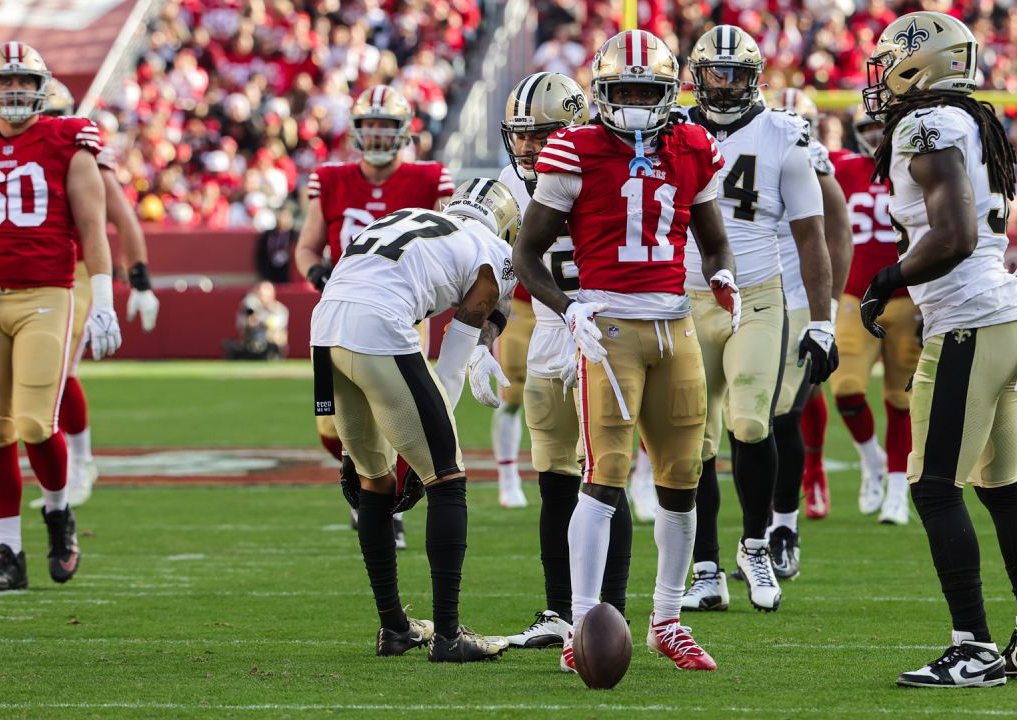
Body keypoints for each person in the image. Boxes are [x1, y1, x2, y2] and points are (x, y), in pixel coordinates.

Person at [514, 29, 734, 673]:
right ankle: (580, 625)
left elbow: (714, 240)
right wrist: (570, 305)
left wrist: (721, 277)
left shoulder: (694, 144)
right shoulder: (573, 148)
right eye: (624, 90)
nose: (636, 103)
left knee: (682, 481)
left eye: (648, 91)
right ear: (601, 93)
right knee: (604, 476)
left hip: (676, 325)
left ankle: (668, 619)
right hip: (609, 328)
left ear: (670, 94)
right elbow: (528, 256)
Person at [861, 11, 1017, 686]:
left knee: (933, 487)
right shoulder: (970, 119)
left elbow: (952, 236)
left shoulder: (929, 125)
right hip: (1001, 316)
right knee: (999, 487)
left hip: (972, 318)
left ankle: (974, 647)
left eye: (889, 60)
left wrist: (886, 281)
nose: (882, 75)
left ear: (916, 62)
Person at [0, 42, 122, 591]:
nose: (15, 91)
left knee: (36, 423)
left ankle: (58, 514)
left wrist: (103, 301)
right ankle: (8, 555)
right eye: (5, 82)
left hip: (46, 295)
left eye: (24, 82)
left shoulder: (69, 138)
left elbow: (93, 229)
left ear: (42, 88)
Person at [311, 178, 520, 662]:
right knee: (447, 477)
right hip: (378, 326)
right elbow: (448, 370)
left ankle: (395, 628)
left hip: (324, 330)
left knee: (373, 480)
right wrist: (425, 458)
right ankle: (448, 634)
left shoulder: (402, 219)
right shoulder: (492, 247)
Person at [678, 26, 838, 614]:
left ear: (755, 79)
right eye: (714, 74)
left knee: (751, 421)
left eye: (735, 75)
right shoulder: (671, 132)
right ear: (697, 76)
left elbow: (811, 236)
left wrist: (822, 320)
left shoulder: (784, 135)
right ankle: (703, 569)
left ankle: (754, 546)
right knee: (694, 440)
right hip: (685, 299)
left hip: (758, 298)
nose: (723, 86)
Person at [494, 72, 633, 650]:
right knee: (553, 477)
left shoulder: (607, 166)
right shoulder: (509, 181)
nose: (528, 147)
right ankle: (558, 610)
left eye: (542, 134)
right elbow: (498, 268)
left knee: (601, 478)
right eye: (521, 136)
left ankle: (611, 613)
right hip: (548, 328)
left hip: (603, 326)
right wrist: (483, 340)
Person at [294, 84, 454, 541]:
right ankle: (366, 479)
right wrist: (317, 272)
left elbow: (446, 241)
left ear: (404, 131)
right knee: (331, 425)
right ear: (357, 130)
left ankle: (389, 506)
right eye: (371, 126)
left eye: (388, 126)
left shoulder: (429, 178)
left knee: (396, 411)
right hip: (339, 312)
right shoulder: (330, 179)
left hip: (402, 313)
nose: (379, 136)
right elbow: (306, 245)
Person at [26, 79, 158, 509]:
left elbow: (123, 218)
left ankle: (80, 463)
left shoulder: (80, 153)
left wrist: (139, 281)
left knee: (60, 371)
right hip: (34, 274)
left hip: (78, 271)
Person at [759, 89, 852, 580]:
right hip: (750, 301)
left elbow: (837, 235)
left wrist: (826, 314)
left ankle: (783, 530)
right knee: (745, 425)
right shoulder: (743, 146)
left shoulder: (810, 160)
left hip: (794, 303)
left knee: (783, 417)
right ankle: (756, 535)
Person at [829, 109, 921, 526]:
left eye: (882, 127)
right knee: (846, 389)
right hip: (856, 294)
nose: (876, 135)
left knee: (901, 400)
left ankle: (898, 492)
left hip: (909, 296)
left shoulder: (920, 166)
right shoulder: (844, 167)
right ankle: (873, 461)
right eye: (867, 127)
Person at [224, 281, 289, 359]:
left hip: (270, 346)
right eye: (259, 293)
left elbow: (276, 327)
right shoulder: (249, 308)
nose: (261, 297)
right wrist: (250, 319)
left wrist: (259, 320)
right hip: (250, 345)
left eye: (264, 294)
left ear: (272, 295)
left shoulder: (279, 310)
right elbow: (240, 325)